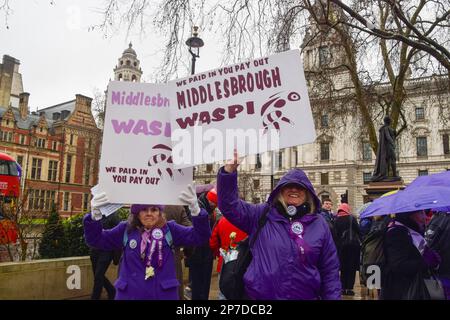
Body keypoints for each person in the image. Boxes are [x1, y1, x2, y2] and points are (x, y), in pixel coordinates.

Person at [216, 151, 341, 300]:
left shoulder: (319, 224)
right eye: (289, 186)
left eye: (300, 187)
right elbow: (229, 206)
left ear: (308, 193)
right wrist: (228, 172)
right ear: (280, 190)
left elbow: (330, 271)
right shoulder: (261, 214)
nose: (294, 189)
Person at [83, 186, 211, 300]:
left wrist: (196, 211)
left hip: (162, 295)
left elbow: (200, 236)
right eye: (144, 209)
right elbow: (96, 240)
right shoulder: (126, 229)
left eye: (154, 209)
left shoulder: (170, 229)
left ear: (160, 213)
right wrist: (94, 218)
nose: (149, 214)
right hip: (129, 295)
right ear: (137, 214)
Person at [381, 210, 441, 300]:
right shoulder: (396, 233)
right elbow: (398, 265)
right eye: (421, 213)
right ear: (409, 215)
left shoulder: (412, 230)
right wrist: (426, 262)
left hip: (414, 287)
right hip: (402, 291)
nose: (424, 216)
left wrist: (432, 258)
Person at [188, 188, 218, 300]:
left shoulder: (209, 209)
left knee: (204, 284)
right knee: (198, 284)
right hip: (197, 252)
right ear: (210, 200)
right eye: (215, 204)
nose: (216, 206)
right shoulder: (198, 207)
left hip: (206, 252)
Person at [209, 215, 247, 300]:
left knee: (223, 294)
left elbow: (213, 243)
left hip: (225, 262)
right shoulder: (247, 219)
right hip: (244, 263)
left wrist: (220, 255)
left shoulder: (221, 221)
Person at [89, 212, 121, 300]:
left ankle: (95, 297)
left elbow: (120, 234)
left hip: (107, 251)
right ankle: (111, 290)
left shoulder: (113, 216)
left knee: (98, 276)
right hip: (95, 250)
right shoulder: (94, 215)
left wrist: (117, 254)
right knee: (97, 275)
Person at [163, 205, 192, 300]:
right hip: (172, 256)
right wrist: (185, 251)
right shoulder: (177, 207)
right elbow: (189, 232)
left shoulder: (142, 205)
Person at [334, 203, 361, 296]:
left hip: (341, 247)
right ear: (347, 209)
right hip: (352, 246)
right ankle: (349, 288)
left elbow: (335, 234)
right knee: (351, 268)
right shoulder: (351, 218)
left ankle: (342, 288)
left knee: (343, 268)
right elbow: (358, 230)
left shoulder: (336, 219)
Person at [425, 208, 450, 299]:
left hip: (442, 271)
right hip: (443, 270)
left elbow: (428, 245)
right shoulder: (440, 219)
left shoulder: (438, 220)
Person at [371, 116, 399, 182]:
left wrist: (394, 133)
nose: (391, 122)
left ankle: (388, 175)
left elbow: (392, 136)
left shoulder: (387, 128)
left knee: (388, 161)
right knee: (393, 159)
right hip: (389, 147)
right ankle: (394, 174)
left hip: (387, 147)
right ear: (388, 121)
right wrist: (393, 144)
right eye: (390, 120)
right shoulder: (385, 128)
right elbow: (388, 137)